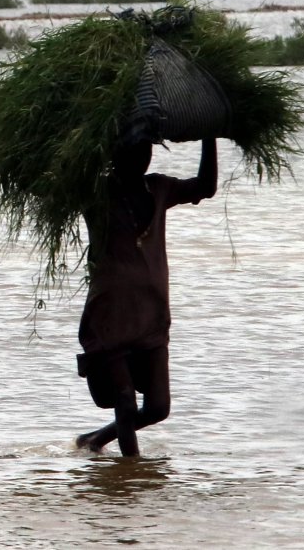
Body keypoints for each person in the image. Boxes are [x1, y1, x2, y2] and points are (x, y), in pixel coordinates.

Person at [75, 137, 217, 457]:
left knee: (157, 408)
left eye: (145, 150)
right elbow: (43, 186)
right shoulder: (95, 192)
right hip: (109, 316)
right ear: (113, 155)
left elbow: (205, 186)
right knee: (124, 404)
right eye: (131, 150)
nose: (141, 157)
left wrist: (211, 136)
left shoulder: (159, 189)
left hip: (152, 316)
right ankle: (132, 472)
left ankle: (94, 441)